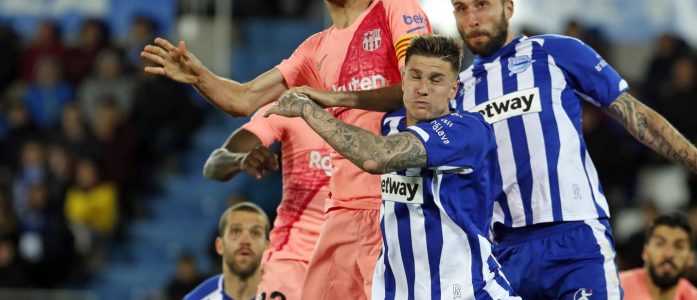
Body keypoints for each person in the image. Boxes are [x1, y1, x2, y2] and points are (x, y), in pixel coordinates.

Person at [293, 0, 697, 298]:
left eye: (481, 4)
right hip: (500, 253)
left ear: (508, 6)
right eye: (460, 8)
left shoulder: (555, 54)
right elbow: (398, 115)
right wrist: (333, 100)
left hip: (574, 239)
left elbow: (637, 116)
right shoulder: (455, 89)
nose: (471, 18)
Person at [141, 0, 432, 298]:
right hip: (341, 214)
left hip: (394, 205)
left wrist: (334, 98)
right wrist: (200, 77)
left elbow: (421, 87)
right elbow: (243, 99)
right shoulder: (314, 49)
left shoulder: (396, 7)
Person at [265, 34, 519, 300]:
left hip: (468, 293)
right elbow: (380, 103)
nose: (423, 88)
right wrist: (330, 98)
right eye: (415, 76)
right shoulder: (390, 123)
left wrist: (308, 109)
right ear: (403, 80)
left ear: (453, 89)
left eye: (436, 80)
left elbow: (376, 157)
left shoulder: (467, 130)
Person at [202, 87, 332, 300]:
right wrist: (240, 161)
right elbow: (213, 165)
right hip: (292, 265)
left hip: (359, 257)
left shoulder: (376, 112)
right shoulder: (289, 108)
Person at [185, 202, 269, 300]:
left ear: (267, 248)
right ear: (220, 245)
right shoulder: (197, 298)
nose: (245, 241)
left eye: (255, 233)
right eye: (236, 231)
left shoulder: (287, 295)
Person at [619, 213, 697, 300]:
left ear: (690, 258)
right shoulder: (614, 288)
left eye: (679, 246)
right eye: (660, 244)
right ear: (645, 252)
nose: (669, 254)